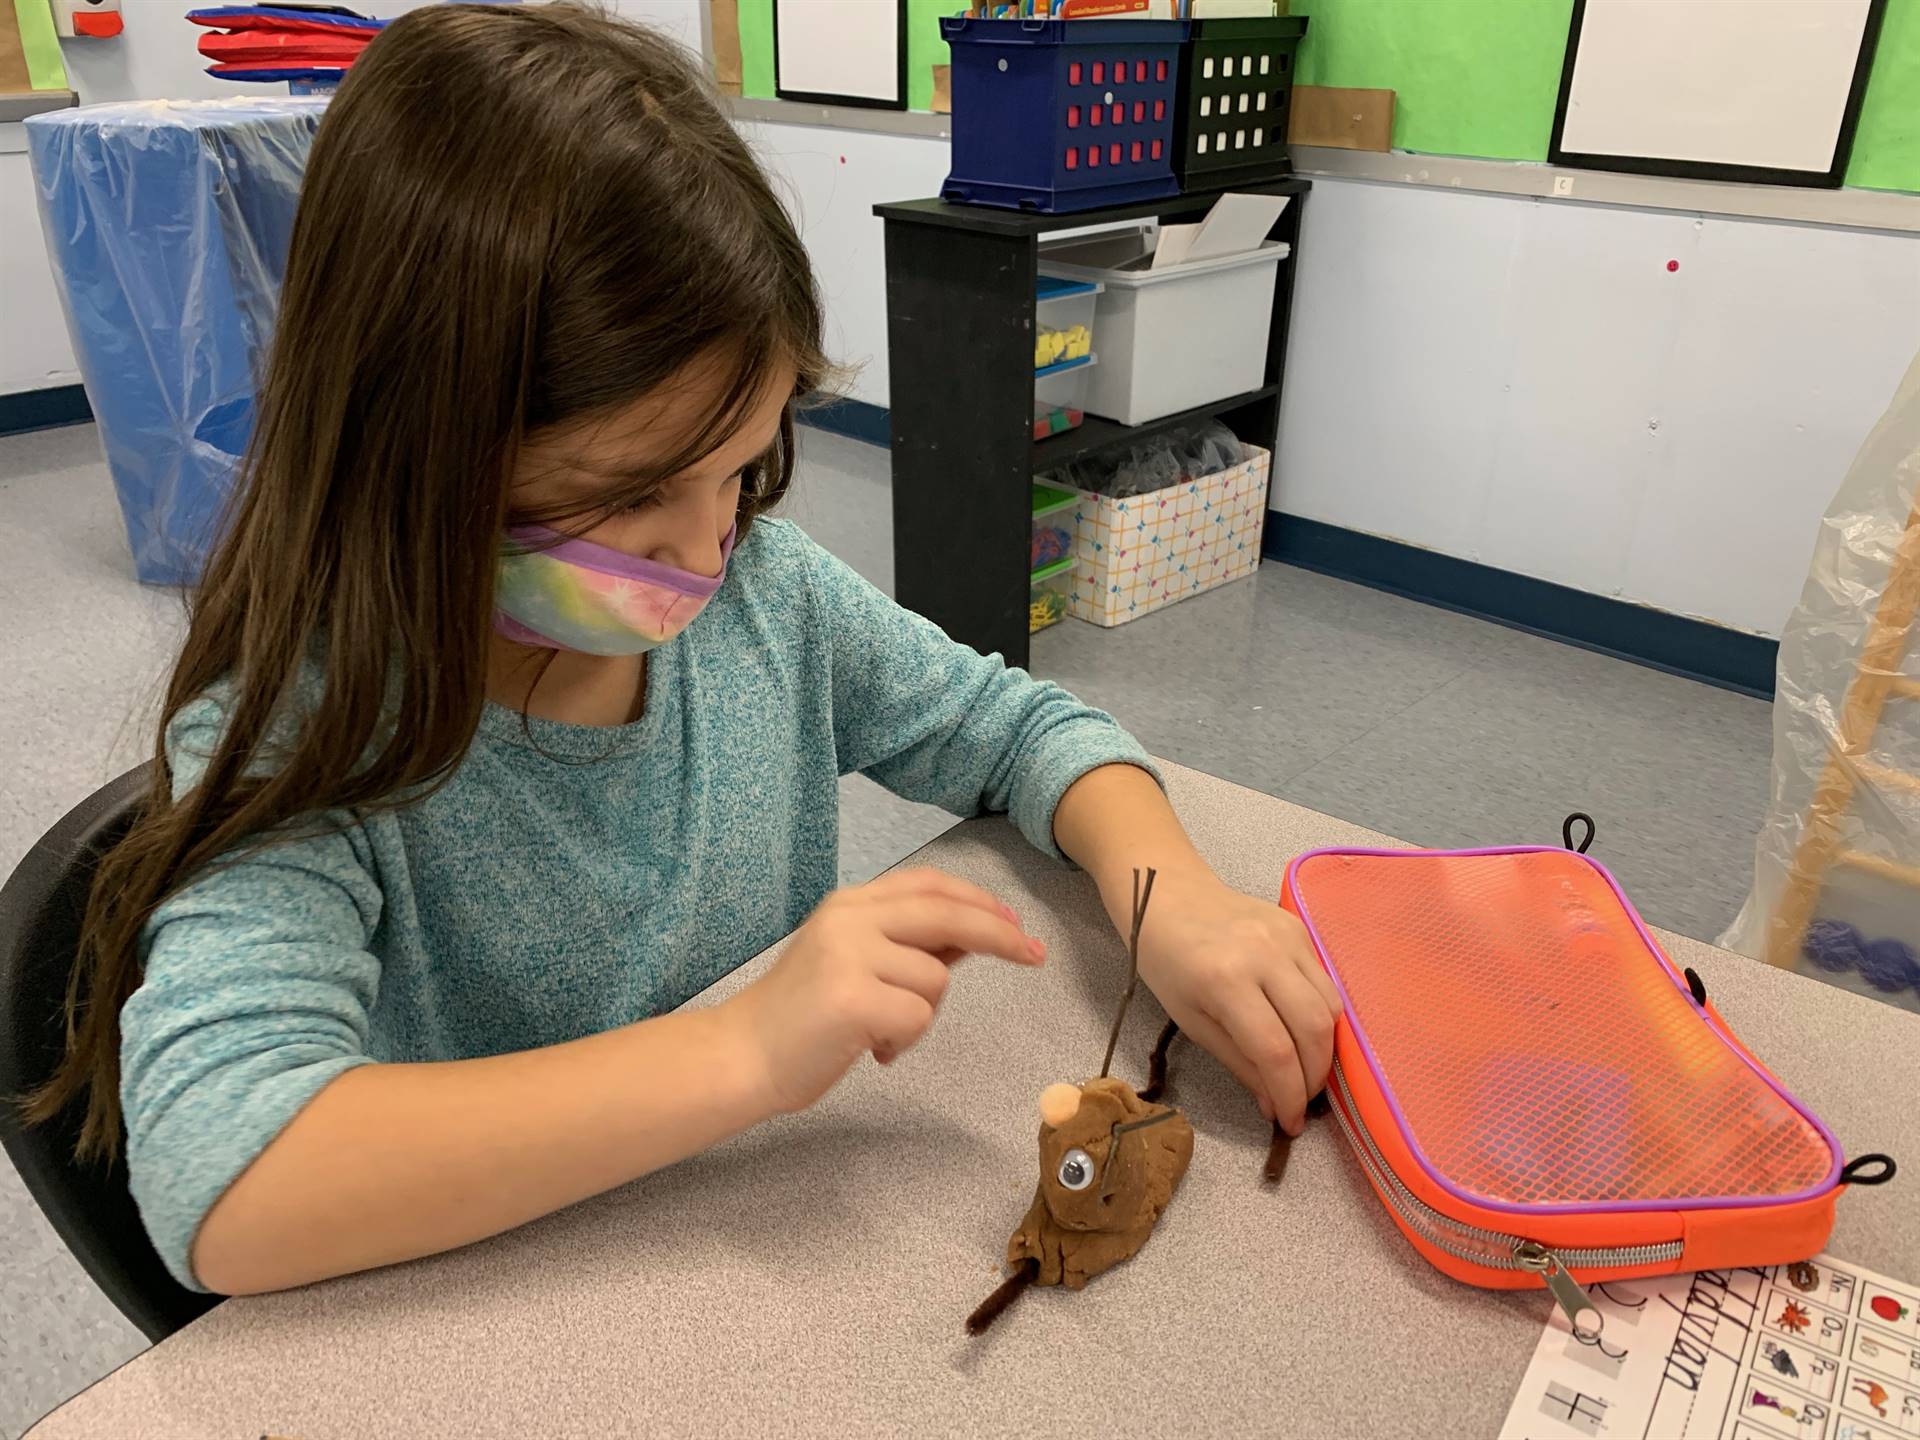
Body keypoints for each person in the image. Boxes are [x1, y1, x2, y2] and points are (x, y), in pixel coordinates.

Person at [27, 3, 1340, 1297]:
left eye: (738, 466)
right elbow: (230, 1184)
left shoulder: (769, 600)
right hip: (504, 1306)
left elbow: (1015, 729)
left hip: (755, 1254)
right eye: (630, 495)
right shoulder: (302, 732)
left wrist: (1177, 898)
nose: (708, 549)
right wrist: (743, 1052)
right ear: (414, 450)